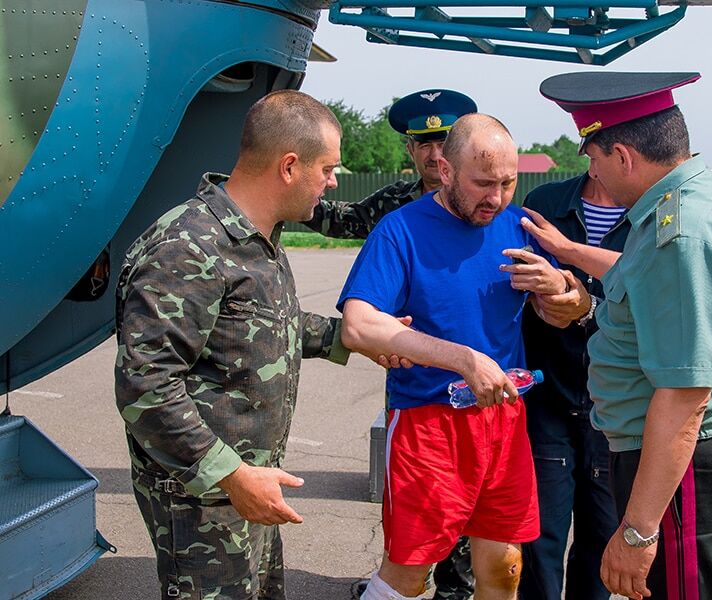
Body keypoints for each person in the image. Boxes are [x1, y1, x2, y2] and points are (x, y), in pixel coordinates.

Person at [114, 90, 408, 600]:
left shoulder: (254, 237)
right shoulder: (190, 247)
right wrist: (230, 475)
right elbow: (147, 384)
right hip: (203, 496)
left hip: (245, 486)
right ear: (289, 166)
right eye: (328, 169)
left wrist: (353, 338)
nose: (334, 182)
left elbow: (260, 323)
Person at [529, 71, 712, 600]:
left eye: (594, 158)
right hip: (681, 462)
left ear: (624, 156)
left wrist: (637, 532)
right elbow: (639, 283)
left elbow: (684, 396)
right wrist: (570, 253)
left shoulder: (680, 232)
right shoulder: (696, 199)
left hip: (681, 467)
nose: (593, 173)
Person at [338, 114, 569, 600]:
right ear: (444, 171)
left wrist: (560, 290)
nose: (497, 198)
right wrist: (463, 359)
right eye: (483, 183)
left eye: (508, 183)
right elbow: (358, 325)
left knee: (505, 565)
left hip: (504, 418)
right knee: (410, 573)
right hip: (429, 424)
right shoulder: (400, 230)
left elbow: (563, 313)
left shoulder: (518, 226)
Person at [303, 88, 479, 600]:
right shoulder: (395, 204)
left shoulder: (482, 201)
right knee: (411, 488)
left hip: (469, 364)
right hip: (407, 363)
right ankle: (404, 578)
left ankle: (456, 586)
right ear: (409, 151)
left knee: (467, 489)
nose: (432, 153)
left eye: (442, 140)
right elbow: (341, 219)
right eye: (420, 144)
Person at [515, 174, 624, 599]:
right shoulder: (546, 202)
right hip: (549, 401)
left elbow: (652, 305)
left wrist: (586, 306)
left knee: (602, 543)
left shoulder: (655, 214)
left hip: (616, 410)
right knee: (538, 543)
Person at [304, 89, 477, 239]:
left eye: (442, 144)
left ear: (457, 148)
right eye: (425, 146)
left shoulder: (478, 198)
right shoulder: (393, 201)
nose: (435, 155)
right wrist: (295, 193)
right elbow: (338, 219)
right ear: (410, 150)